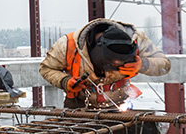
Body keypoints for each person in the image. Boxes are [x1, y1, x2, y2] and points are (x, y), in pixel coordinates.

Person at [40, 18, 170, 109]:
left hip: (119, 105)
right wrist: (65, 81)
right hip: (79, 106)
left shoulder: (135, 39)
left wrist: (143, 65)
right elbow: (46, 68)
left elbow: (165, 64)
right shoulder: (68, 44)